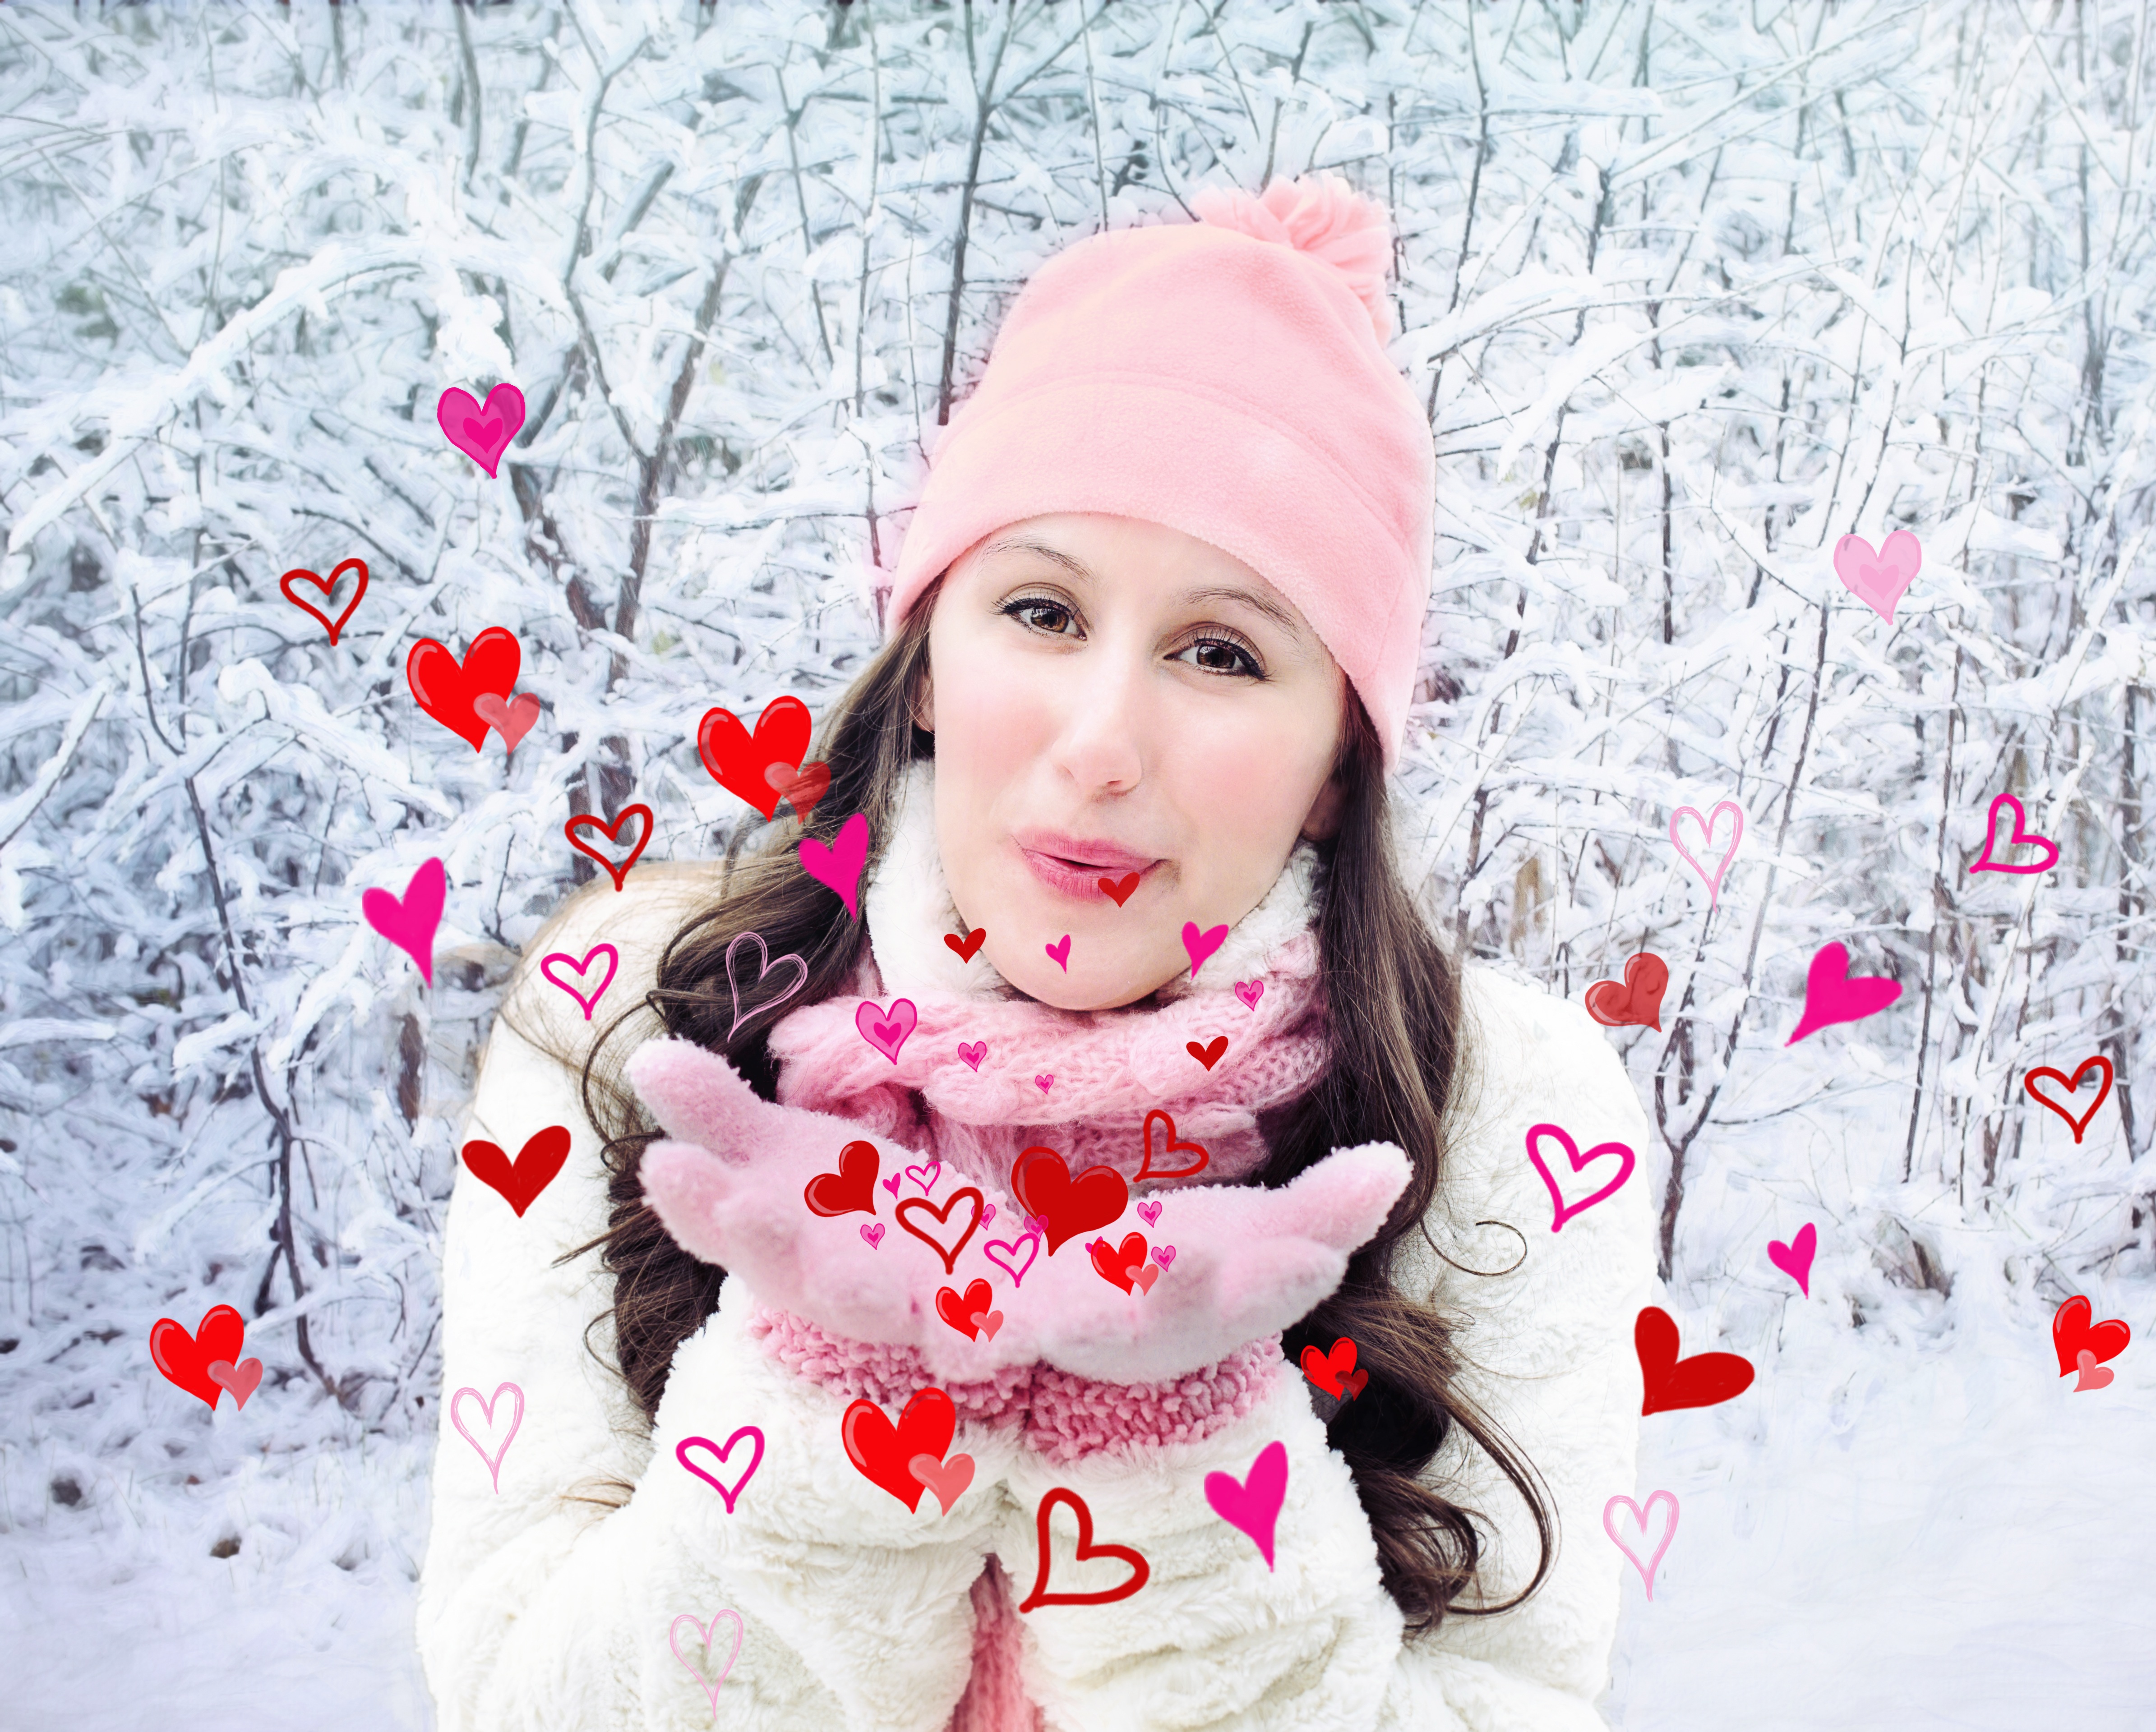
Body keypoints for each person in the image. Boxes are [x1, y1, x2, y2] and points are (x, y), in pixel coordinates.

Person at [416, 170, 1657, 1732]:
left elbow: (1522, 1704)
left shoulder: (1498, 1107)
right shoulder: (633, 1018)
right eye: (1043, 612)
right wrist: (836, 1391)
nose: (1101, 743)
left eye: (1222, 651)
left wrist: (1180, 1430)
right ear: (931, 656)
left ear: (1338, 754)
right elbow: (509, 1692)